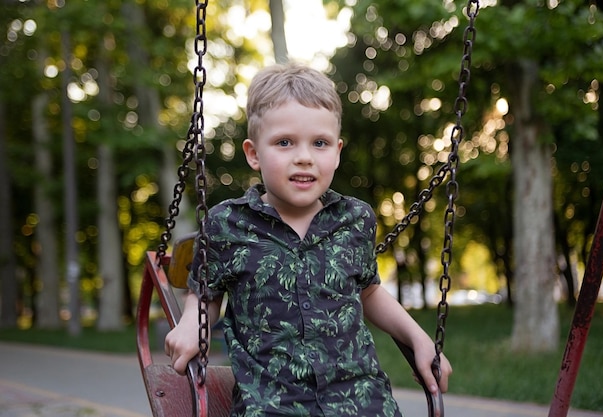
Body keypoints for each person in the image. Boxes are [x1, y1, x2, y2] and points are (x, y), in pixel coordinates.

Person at [164, 62, 452, 417]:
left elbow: (369, 290)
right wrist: (193, 323)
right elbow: (205, 291)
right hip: (272, 404)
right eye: (284, 143)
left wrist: (418, 338)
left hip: (361, 401)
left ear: (337, 151)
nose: (304, 157)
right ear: (254, 154)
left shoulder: (354, 220)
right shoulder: (228, 224)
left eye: (320, 143)